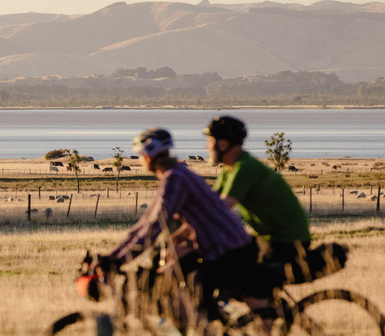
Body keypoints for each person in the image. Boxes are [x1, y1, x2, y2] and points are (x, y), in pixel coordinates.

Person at [100, 128, 276, 319]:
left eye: (141, 156)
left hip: (228, 251)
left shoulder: (175, 179)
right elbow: (147, 222)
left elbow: (155, 224)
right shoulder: (177, 174)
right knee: (171, 285)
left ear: (148, 157)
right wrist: (115, 255)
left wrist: (119, 259)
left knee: (193, 300)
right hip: (222, 248)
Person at [203, 115, 311, 266]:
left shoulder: (244, 168)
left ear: (223, 144)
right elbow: (211, 204)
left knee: (221, 268)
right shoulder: (229, 170)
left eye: (210, 141)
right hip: (269, 237)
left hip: (287, 241)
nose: (207, 147)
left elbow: (220, 209)